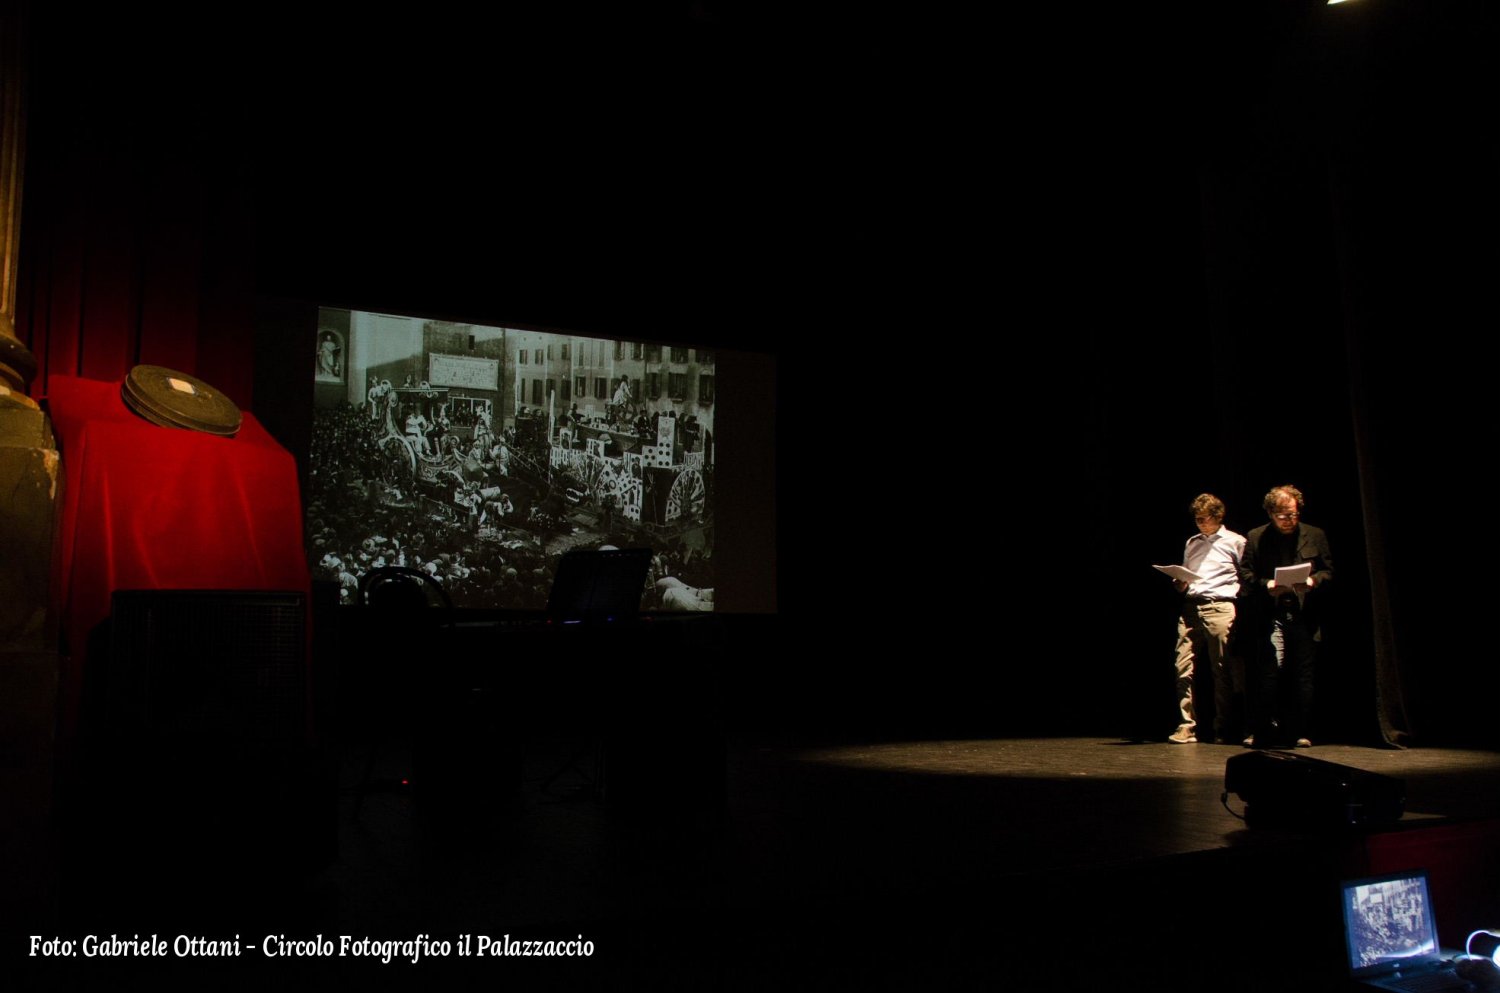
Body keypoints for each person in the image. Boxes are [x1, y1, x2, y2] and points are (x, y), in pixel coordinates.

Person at [1240, 484, 1333, 748]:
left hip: (1304, 614)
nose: (1289, 520)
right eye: (1283, 516)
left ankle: (1300, 730)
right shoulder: (1257, 537)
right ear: (1271, 513)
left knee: (1303, 674)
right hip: (1272, 613)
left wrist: (1314, 582)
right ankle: (1263, 729)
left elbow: (1328, 571)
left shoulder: (1315, 535)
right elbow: (1246, 575)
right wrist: (1267, 584)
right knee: (1270, 671)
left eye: (1293, 514)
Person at [1168, 494, 1247, 744]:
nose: (1200, 523)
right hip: (1191, 606)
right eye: (1197, 519)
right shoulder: (1192, 542)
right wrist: (1180, 582)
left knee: (1222, 669)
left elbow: (1246, 575)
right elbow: (1188, 575)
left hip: (1220, 606)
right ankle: (1187, 724)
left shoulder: (1236, 541)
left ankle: (1223, 726)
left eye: (1204, 519)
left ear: (1217, 516)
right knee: (1182, 667)